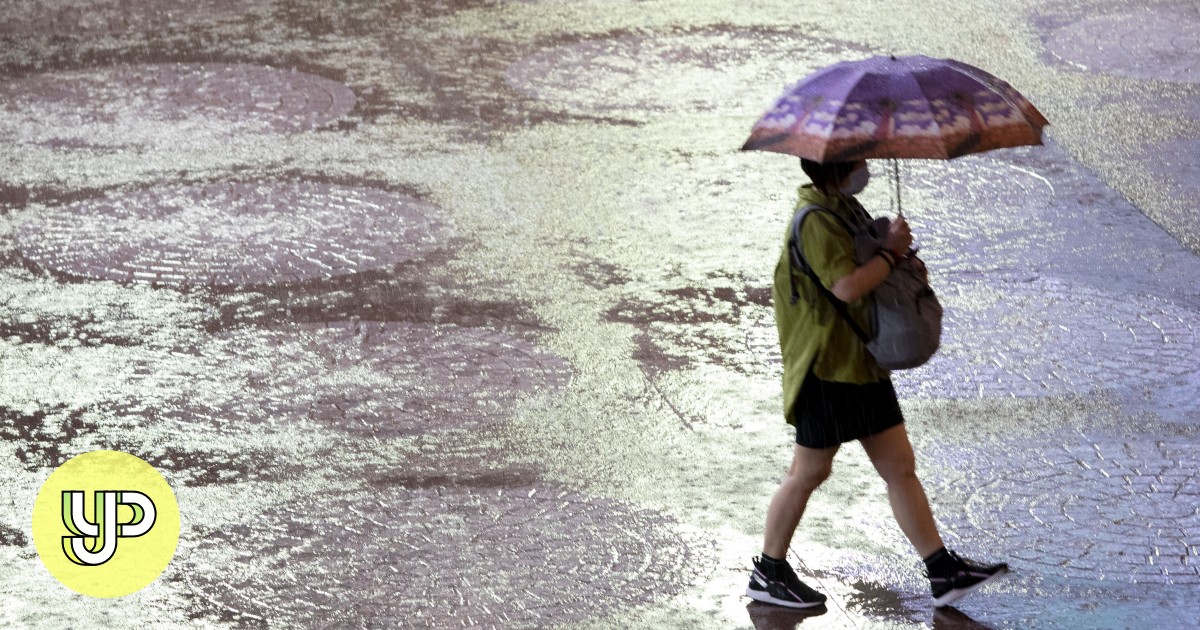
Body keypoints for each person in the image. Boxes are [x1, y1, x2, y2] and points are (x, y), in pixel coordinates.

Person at [746, 158, 1007, 609]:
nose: (865, 167)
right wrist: (889, 255)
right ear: (839, 167)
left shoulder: (845, 208)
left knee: (900, 467)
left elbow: (872, 270)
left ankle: (943, 570)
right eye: (859, 160)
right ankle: (768, 573)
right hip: (826, 368)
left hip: (862, 363)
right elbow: (845, 286)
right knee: (808, 473)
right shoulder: (814, 220)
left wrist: (901, 258)